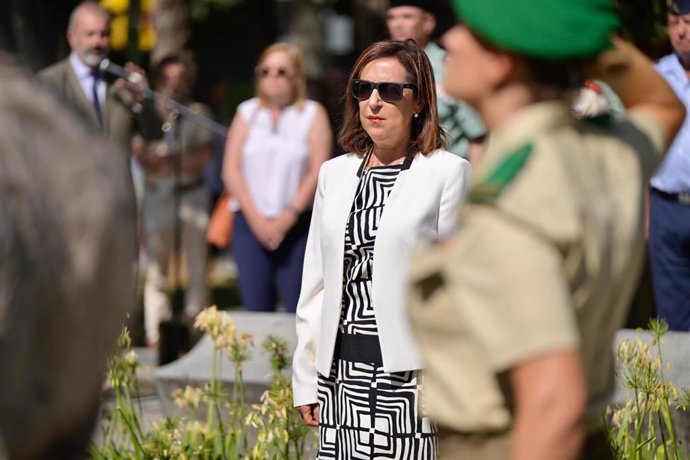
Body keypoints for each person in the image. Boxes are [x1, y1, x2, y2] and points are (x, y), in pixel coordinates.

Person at [406, 1, 685, 459]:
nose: (449, 41)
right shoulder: (603, 152)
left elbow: (553, 402)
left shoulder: (509, 205)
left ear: (501, 63)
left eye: (470, 31)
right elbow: (661, 103)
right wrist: (569, 36)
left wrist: (557, 37)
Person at [292, 39, 472, 458]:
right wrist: (306, 375)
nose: (373, 101)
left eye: (390, 90)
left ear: (420, 101)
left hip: (413, 380)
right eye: (363, 88)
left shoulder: (447, 173)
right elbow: (315, 285)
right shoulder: (334, 174)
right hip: (339, 377)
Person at [222, 42, 332, 313]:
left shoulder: (312, 113)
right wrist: (257, 220)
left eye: (281, 71)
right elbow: (231, 169)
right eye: (265, 71)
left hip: (297, 225)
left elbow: (319, 169)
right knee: (255, 306)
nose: (272, 78)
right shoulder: (246, 113)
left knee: (300, 308)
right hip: (250, 222)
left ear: (297, 77)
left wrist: (288, 217)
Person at [134, 54, 215, 348]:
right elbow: (143, 158)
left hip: (191, 194)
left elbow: (203, 156)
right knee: (157, 273)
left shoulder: (197, 111)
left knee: (197, 270)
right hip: (159, 197)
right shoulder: (146, 113)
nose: (174, 85)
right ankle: (158, 335)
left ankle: (198, 332)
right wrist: (176, 159)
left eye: (180, 79)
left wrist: (168, 159)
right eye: (168, 79)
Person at [37, 1, 162, 157]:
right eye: (90, 34)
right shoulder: (48, 83)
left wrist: (144, 101)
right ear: (71, 37)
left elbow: (157, 133)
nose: (97, 42)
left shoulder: (122, 82)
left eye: (104, 34)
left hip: (118, 181)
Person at [386, 0, 485, 162]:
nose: (398, 24)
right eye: (392, 17)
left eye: (407, 16)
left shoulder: (452, 66)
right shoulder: (382, 69)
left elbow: (477, 136)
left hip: (448, 170)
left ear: (428, 22)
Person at [649, 0, 690, 332]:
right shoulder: (654, 77)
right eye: (674, 21)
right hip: (666, 208)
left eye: (688, 21)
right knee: (673, 320)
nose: (681, 31)